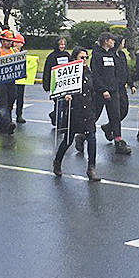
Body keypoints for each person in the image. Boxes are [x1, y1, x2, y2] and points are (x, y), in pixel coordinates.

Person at [51, 47, 100, 181]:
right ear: (74, 59)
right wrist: (65, 96)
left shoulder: (89, 73)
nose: (84, 60)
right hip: (74, 111)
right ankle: (57, 161)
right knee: (68, 140)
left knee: (92, 139)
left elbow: (93, 90)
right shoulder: (68, 73)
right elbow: (57, 89)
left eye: (86, 57)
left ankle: (91, 168)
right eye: (81, 57)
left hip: (88, 111)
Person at [90, 32, 132, 154]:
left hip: (114, 90)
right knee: (94, 116)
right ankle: (82, 137)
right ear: (106, 41)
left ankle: (118, 141)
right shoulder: (97, 56)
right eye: (112, 40)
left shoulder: (112, 55)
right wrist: (103, 90)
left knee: (115, 116)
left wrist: (123, 84)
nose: (114, 42)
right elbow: (96, 75)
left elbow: (117, 72)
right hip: (100, 92)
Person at [41, 36, 71, 125]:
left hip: (66, 83)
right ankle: (58, 122)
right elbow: (47, 70)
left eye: (64, 44)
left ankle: (54, 115)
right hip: (55, 84)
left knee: (65, 104)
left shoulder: (67, 55)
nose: (62, 46)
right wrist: (46, 84)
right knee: (58, 103)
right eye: (60, 44)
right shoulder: (51, 56)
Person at [11, 32, 28, 124]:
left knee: (20, 98)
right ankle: (8, 116)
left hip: (21, 79)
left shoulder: (23, 54)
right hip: (11, 80)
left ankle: (19, 115)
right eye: (15, 42)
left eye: (19, 43)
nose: (17, 44)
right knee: (11, 97)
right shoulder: (10, 53)